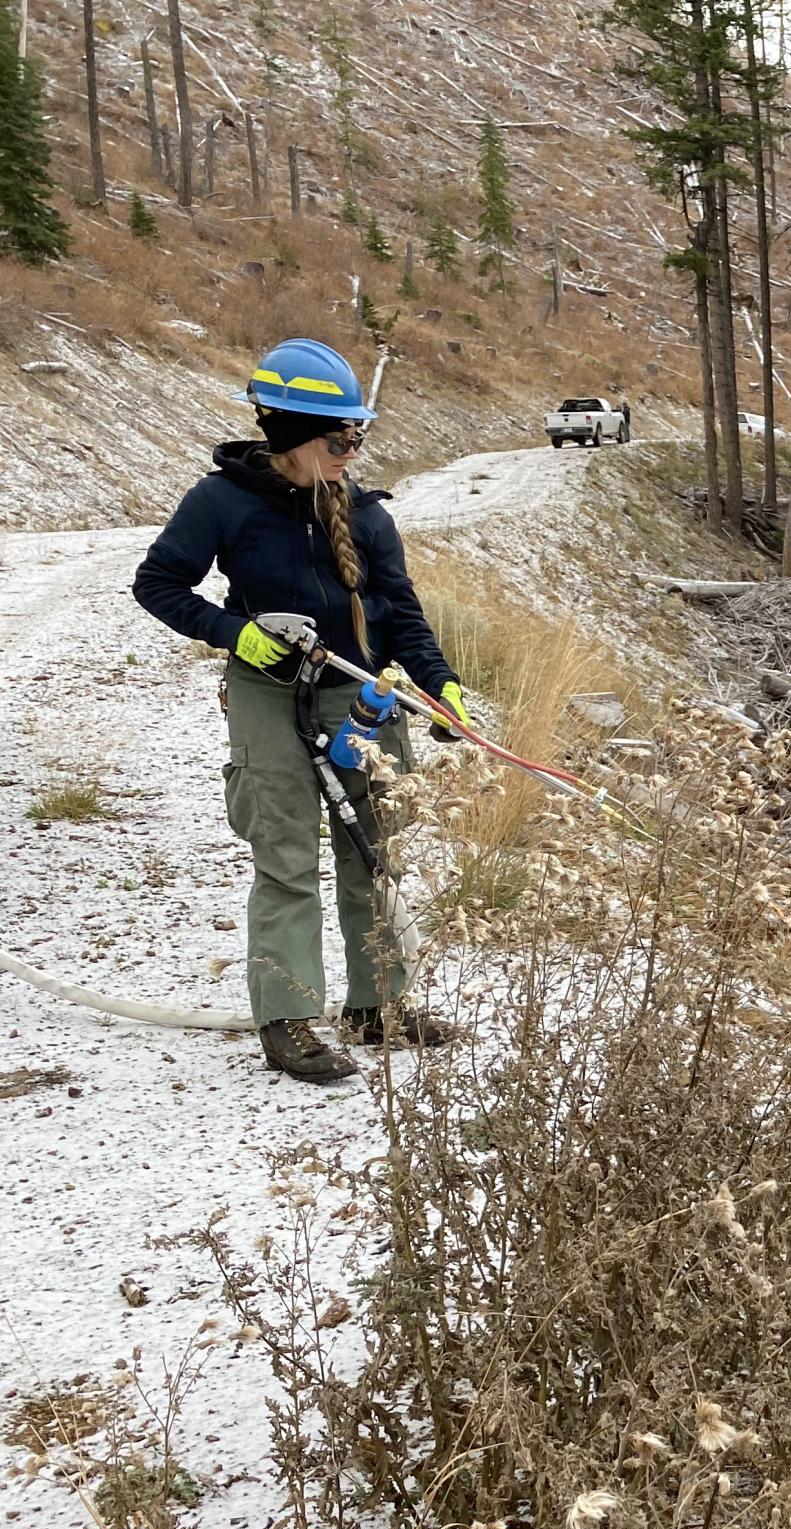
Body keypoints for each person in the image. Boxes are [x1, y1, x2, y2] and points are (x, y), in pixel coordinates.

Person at [133, 337, 471, 1084]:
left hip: (361, 696)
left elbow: (402, 615)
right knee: (286, 857)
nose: (353, 450)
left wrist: (441, 683)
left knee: (373, 851)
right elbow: (157, 584)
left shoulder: (367, 516)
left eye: (359, 436)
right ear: (289, 434)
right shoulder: (218, 504)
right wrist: (234, 635)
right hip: (267, 695)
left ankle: (376, 1005)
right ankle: (287, 1018)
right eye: (340, 437)